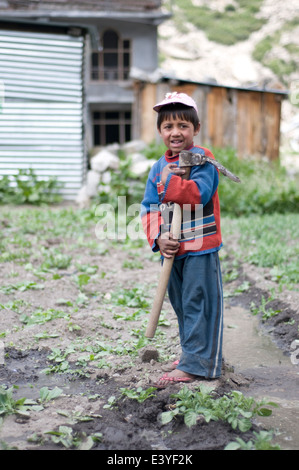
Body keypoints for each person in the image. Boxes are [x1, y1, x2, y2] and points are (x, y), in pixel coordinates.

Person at [141, 92, 223, 387]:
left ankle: (199, 365)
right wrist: (159, 237)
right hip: (172, 250)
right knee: (181, 304)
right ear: (161, 131)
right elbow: (149, 207)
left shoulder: (203, 160)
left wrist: (181, 177)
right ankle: (193, 354)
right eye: (168, 127)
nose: (176, 132)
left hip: (200, 248)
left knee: (198, 302)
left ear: (195, 129)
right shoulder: (157, 168)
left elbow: (196, 195)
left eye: (183, 126)